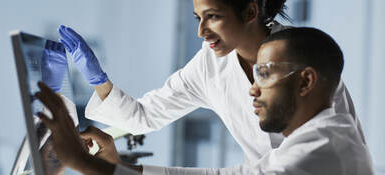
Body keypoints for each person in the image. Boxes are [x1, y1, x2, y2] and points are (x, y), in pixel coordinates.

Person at [54, 1, 366, 170]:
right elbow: (144, 115)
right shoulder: (209, 64)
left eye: (213, 16)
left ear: (250, 11)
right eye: (197, 18)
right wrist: (98, 81)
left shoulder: (303, 62)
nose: (202, 30)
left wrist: (104, 169)